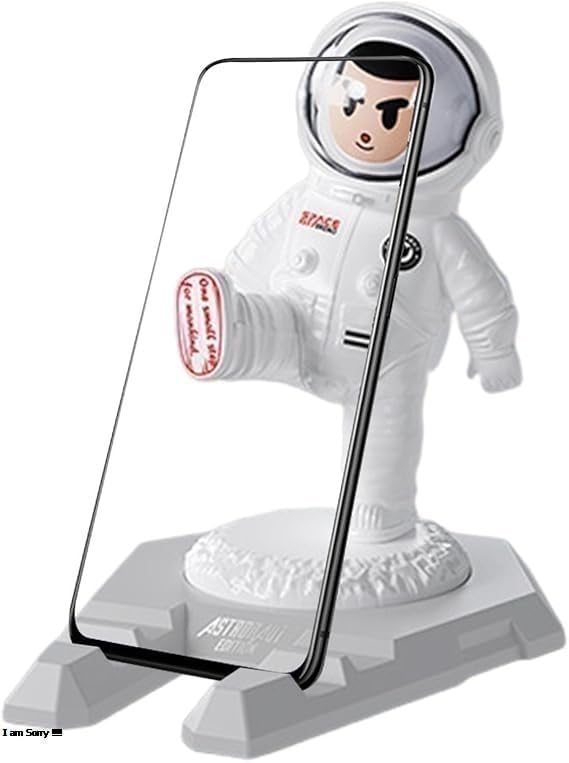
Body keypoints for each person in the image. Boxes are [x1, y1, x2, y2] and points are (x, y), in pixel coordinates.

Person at [178, 4, 521, 607]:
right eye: (354, 103)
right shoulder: (306, 198)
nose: (366, 126)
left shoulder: (434, 226)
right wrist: (232, 283)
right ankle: (231, 333)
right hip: (296, 325)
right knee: (265, 321)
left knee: (384, 437)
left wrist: (494, 352)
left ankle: (378, 516)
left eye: (391, 115)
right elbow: (260, 243)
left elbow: (481, 293)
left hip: (387, 358)